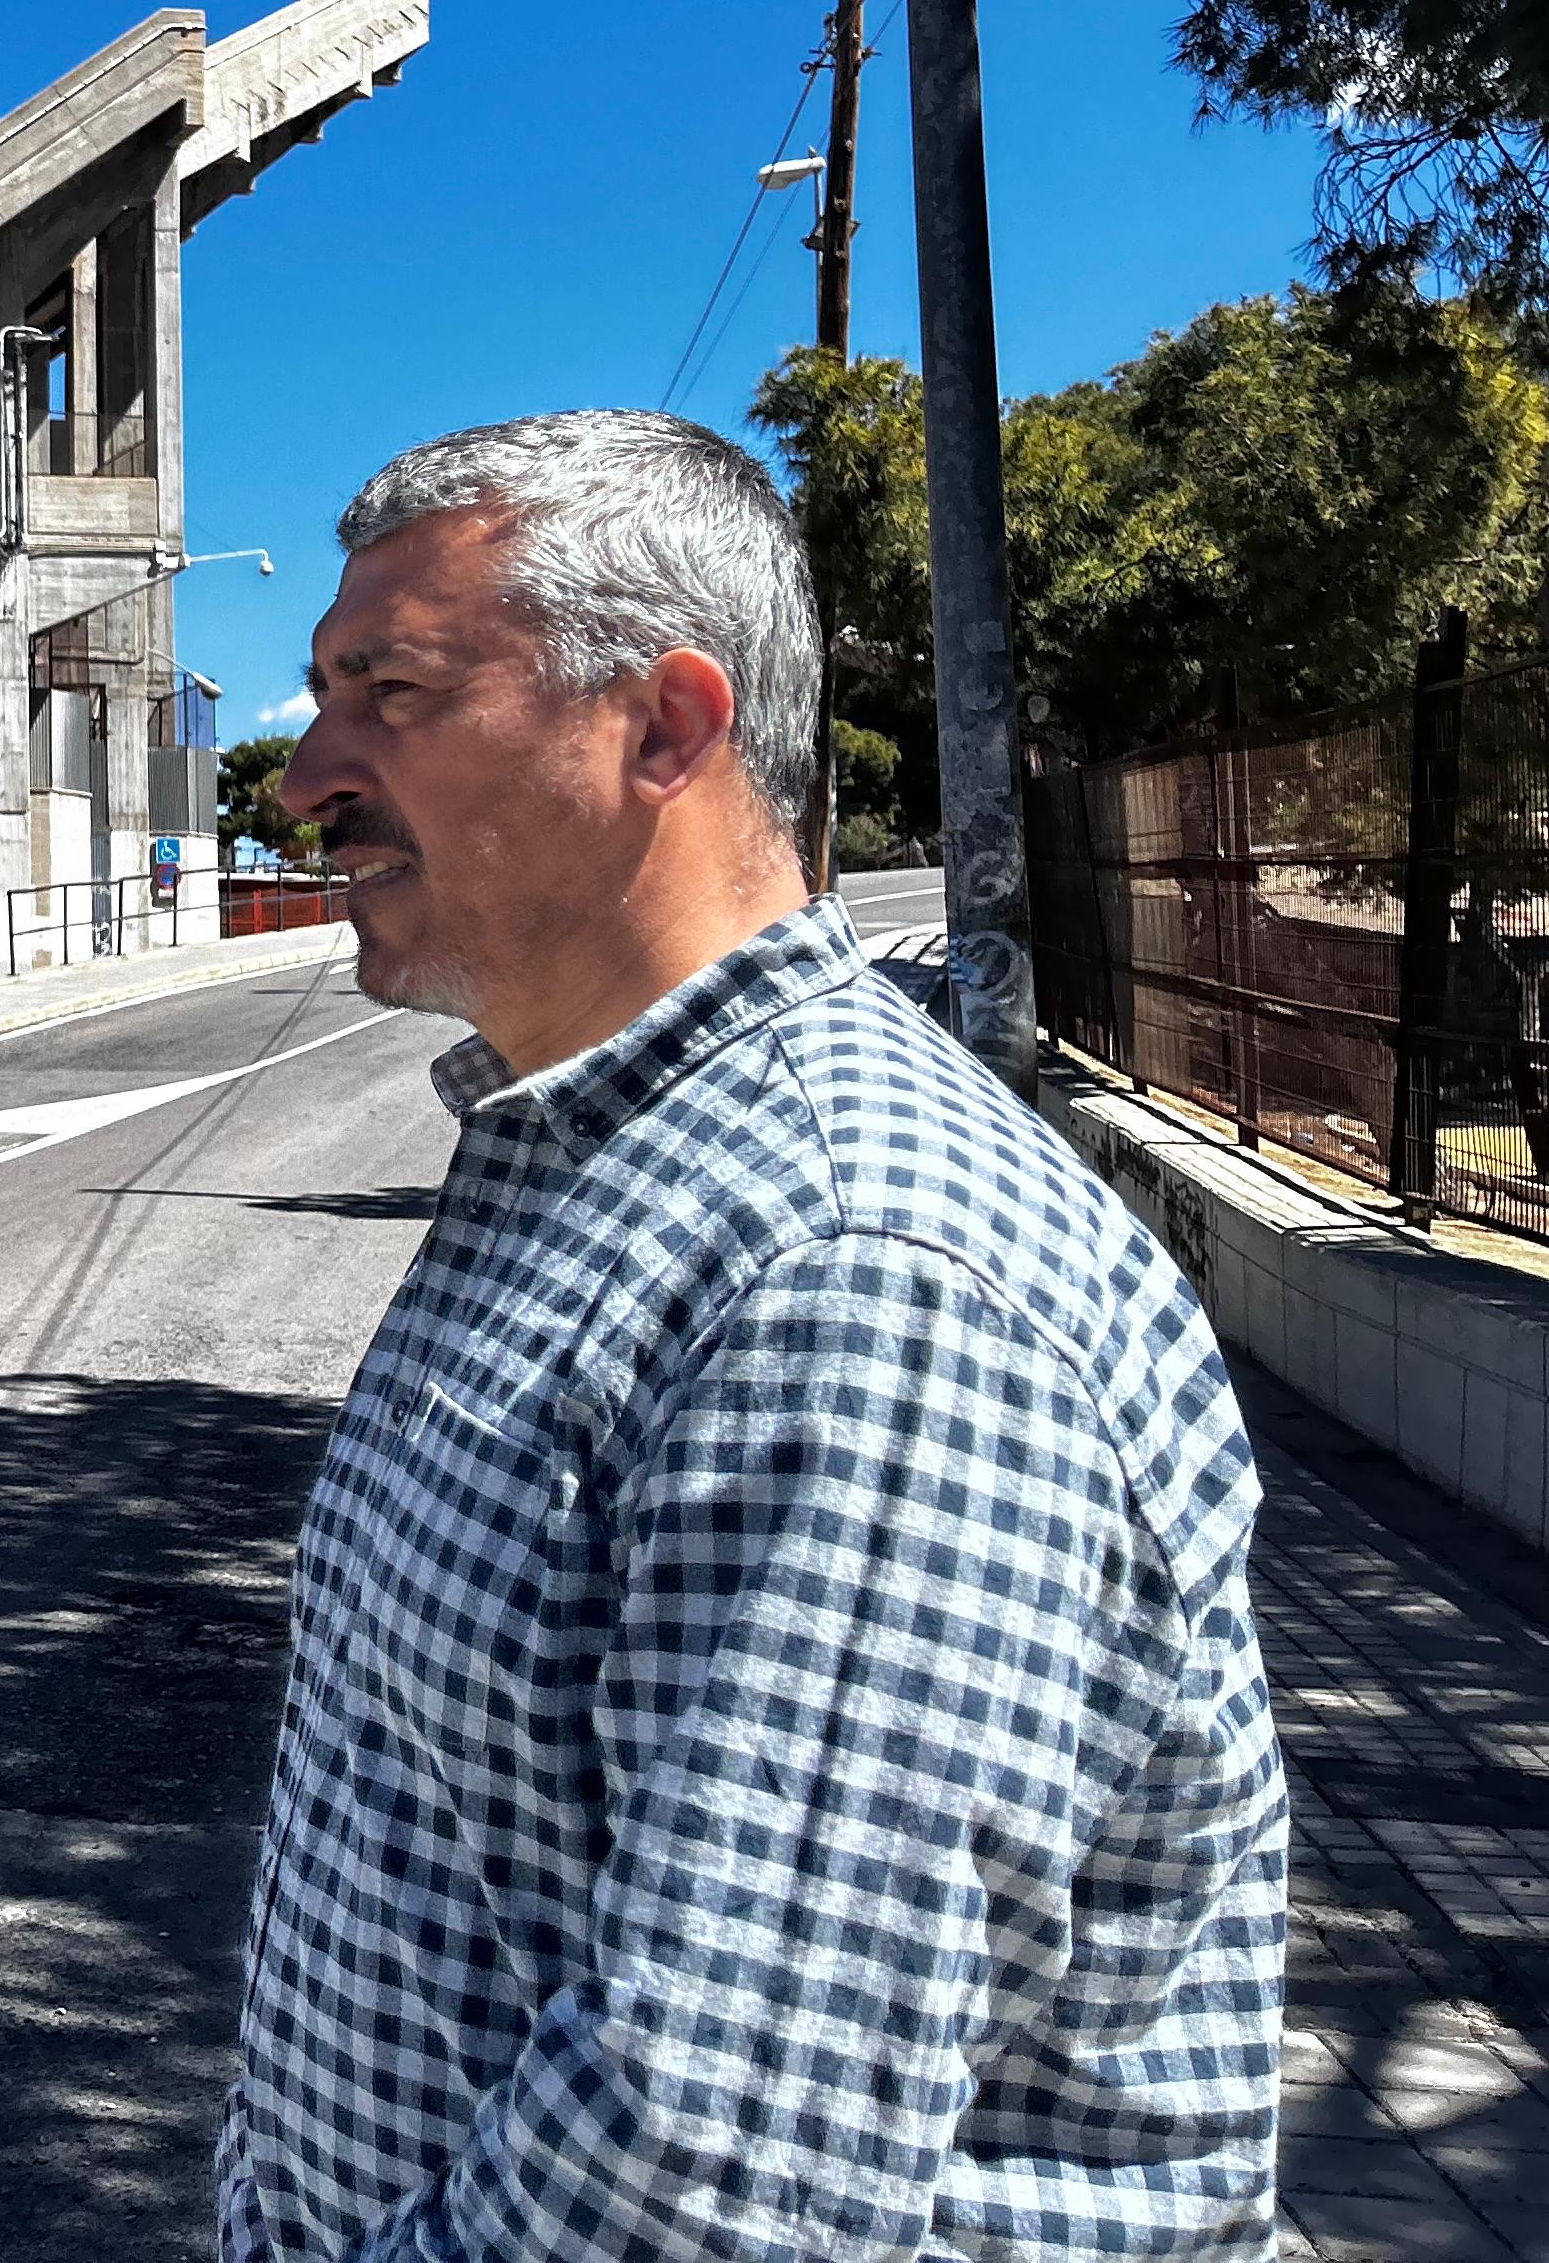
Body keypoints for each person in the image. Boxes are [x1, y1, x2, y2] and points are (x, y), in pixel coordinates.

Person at [218, 409, 1283, 2262]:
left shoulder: (851, 1271)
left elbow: (721, 2174)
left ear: (667, 726)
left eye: (389, 692)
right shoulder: (603, 1159)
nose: (307, 772)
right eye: (322, 698)